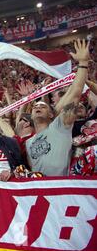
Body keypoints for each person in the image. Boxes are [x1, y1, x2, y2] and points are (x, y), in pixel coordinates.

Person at [26, 39, 91, 176]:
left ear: (51, 114)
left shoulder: (60, 125)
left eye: (43, 106)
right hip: (40, 191)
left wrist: (83, 64)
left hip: (61, 189)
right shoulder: (28, 142)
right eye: (35, 106)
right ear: (31, 116)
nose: (38, 107)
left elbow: (74, 94)